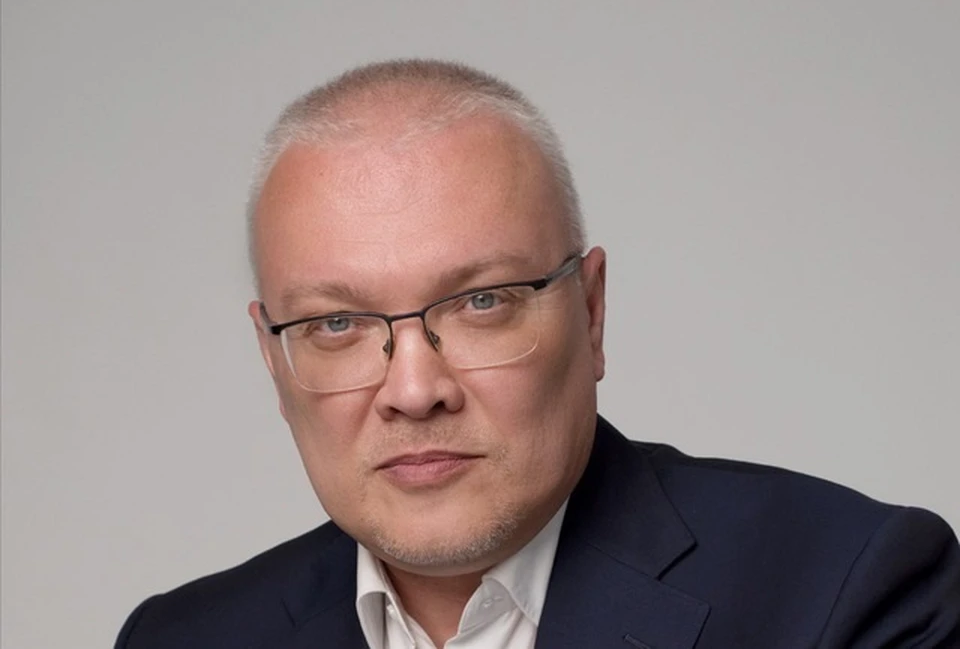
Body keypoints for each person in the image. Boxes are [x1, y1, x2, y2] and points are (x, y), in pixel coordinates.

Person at [115, 59, 960, 648]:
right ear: (273, 362)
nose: (414, 388)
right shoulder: (180, 638)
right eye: (336, 323)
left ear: (591, 314)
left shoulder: (847, 592)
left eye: (482, 301)